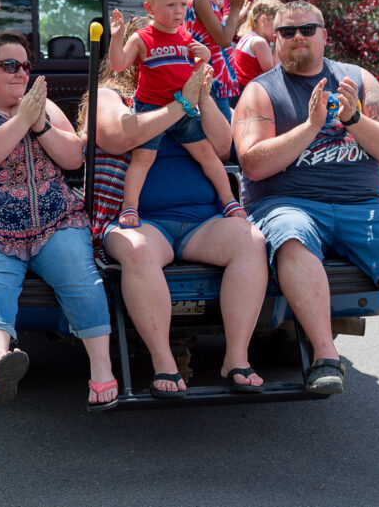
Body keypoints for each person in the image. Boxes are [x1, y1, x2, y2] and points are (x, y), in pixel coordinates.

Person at [232, 0, 379, 415]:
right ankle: (325, 358)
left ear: (324, 35)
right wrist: (312, 125)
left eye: (307, 30)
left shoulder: (358, 80)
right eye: (287, 32)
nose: (298, 38)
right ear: (274, 40)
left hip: (362, 204)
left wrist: (353, 118)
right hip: (287, 202)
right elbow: (253, 164)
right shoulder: (261, 91)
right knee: (292, 238)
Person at [0, 31, 117, 409]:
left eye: (25, 66)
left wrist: (40, 124)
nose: (21, 73)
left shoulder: (43, 108)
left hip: (54, 221)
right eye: (9, 65)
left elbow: (74, 159)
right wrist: (21, 121)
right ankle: (0, 363)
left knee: (81, 278)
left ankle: (102, 372)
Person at [79, 36, 267, 397]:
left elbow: (223, 145)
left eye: (176, 50)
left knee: (251, 241)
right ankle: (163, 361)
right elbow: (118, 136)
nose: (169, 57)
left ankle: (236, 357)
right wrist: (178, 104)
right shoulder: (110, 96)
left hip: (202, 220)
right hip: (141, 220)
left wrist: (202, 94)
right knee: (136, 250)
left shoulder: (194, 89)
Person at [107, 0, 246, 228]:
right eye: (171, 5)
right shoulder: (142, 37)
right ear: (150, 8)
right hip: (151, 109)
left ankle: (228, 199)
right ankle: (130, 207)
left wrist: (204, 57)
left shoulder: (185, 36)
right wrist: (117, 38)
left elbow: (195, 74)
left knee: (206, 153)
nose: (179, 11)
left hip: (184, 109)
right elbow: (118, 65)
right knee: (143, 159)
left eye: (183, 4)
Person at [180, 0, 248, 117]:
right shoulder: (201, 0)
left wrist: (236, 16)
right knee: (223, 133)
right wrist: (234, 9)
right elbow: (224, 39)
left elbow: (213, 30)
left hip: (200, 77)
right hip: (212, 80)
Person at [231, 0, 282, 102]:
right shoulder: (259, 42)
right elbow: (273, 75)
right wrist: (279, 43)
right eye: (276, 25)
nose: (279, 30)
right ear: (262, 20)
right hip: (247, 94)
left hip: (237, 91)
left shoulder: (247, 37)